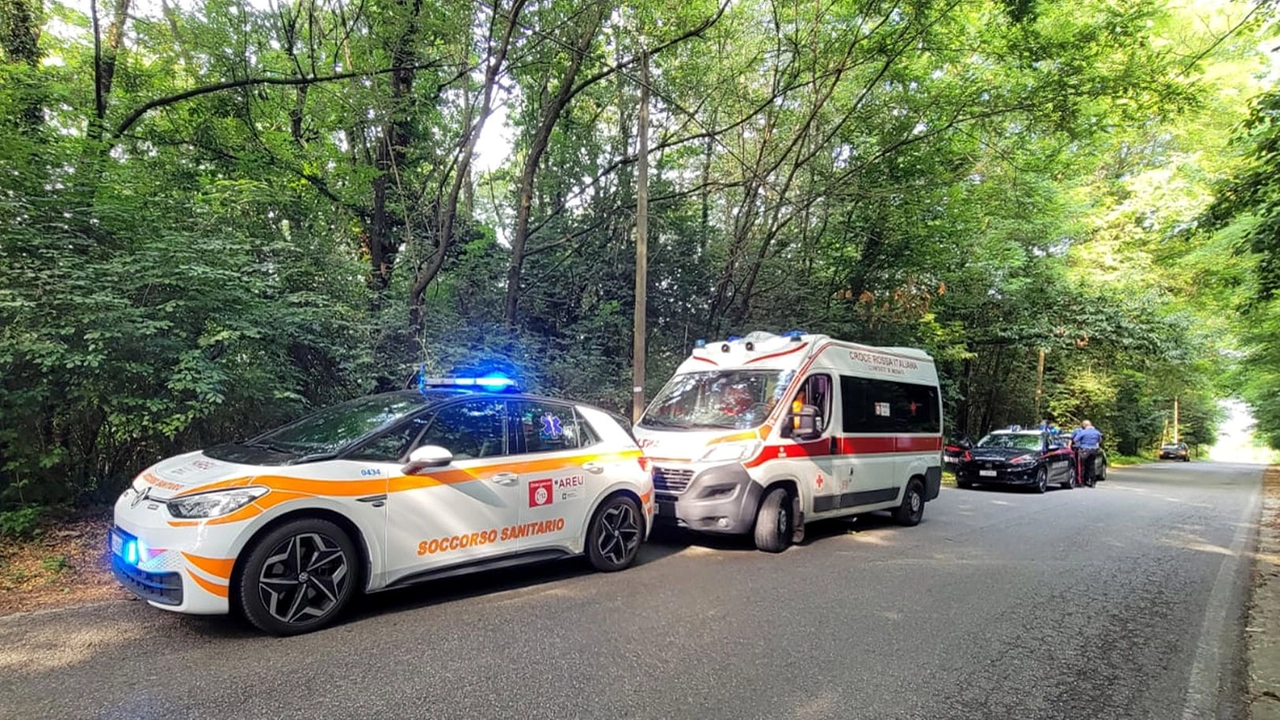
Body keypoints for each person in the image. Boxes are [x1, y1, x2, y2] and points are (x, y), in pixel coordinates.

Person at [1071, 420, 1103, 487]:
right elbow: (1100, 440)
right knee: (1091, 466)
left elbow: (1075, 440)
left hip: (1084, 450)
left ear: (1084, 425)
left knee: (1081, 466)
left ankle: (1081, 482)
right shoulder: (1097, 432)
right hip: (1094, 450)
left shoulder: (1083, 432)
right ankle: (1092, 482)